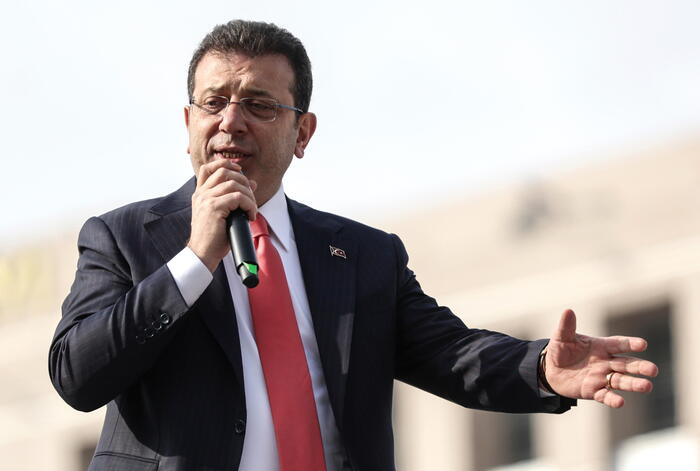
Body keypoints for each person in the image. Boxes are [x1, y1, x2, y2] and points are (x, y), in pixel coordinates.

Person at [49, 20, 659, 471]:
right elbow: (78, 374)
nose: (231, 121)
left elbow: (452, 354)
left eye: (259, 104)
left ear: (303, 132)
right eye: (213, 103)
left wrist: (543, 370)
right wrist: (194, 260)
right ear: (188, 124)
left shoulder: (364, 256)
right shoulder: (125, 238)